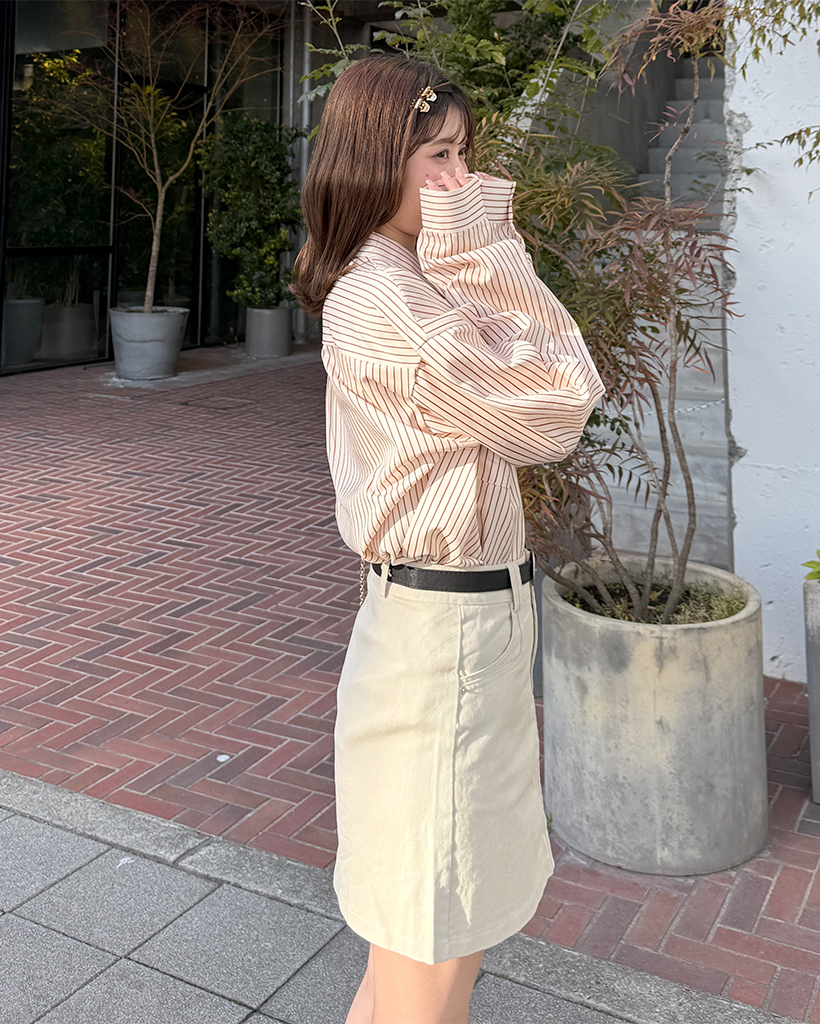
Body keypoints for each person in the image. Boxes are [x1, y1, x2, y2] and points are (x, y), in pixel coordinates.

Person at [291, 53, 604, 1024]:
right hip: (443, 644)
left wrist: (463, 247)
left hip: (457, 627)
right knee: (430, 939)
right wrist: (485, 242)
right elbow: (557, 404)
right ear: (373, 160)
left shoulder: (406, 276)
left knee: (433, 935)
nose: (460, 182)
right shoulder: (387, 297)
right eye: (438, 156)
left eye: (464, 155)